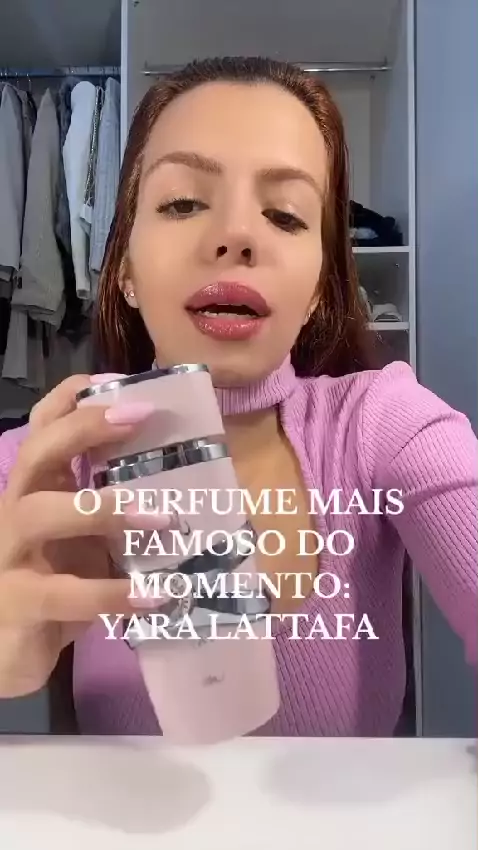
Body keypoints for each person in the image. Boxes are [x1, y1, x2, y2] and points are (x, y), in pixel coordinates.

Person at [0, 57, 476, 736]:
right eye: (183, 203)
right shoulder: (39, 466)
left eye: (284, 215)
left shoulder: (384, 424)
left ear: (318, 292)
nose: (237, 236)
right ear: (125, 268)